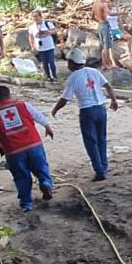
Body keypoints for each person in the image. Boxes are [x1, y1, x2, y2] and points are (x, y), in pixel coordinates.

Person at [0, 86, 54, 212]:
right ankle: (46, 183)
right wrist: (47, 127)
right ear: (9, 95)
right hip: (33, 144)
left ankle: (26, 203)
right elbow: (38, 116)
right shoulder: (23, 105)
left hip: (13, 151)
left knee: (21, 176)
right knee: (41, 167)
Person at [51, 49, 119, 182]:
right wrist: (114, 100)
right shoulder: (94, 71)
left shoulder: (73, 78)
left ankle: (99, 170)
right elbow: (108, 86)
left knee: (90, 142)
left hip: (87, 111)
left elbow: (65, 99)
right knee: (101, 139)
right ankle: (104, 166)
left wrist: (55, 110)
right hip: (101, 109)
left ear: (72, 63)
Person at [28, 10, 58, 82]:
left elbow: (55, 31)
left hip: (49, 46)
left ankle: (55, 76)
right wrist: (32, 46)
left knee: (51, 62)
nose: (35, 18)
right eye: (34, 17)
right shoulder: (32, 27)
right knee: (45, 63)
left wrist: (49, 32)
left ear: (40, 16)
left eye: (36, 16)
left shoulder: (48, 24)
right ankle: (48, 77)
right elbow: (30, 37)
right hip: (40, 47)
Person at [92, 0, 116, 70]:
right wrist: (122, 13)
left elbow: (92, 16)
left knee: (104, 46)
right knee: (107, 46)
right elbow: (110, 14)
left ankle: (105, 64)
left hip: (100, 25)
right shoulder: (103, 5)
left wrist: (98, 21)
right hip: (105, 25)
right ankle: (106, 64)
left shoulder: (95, 4)